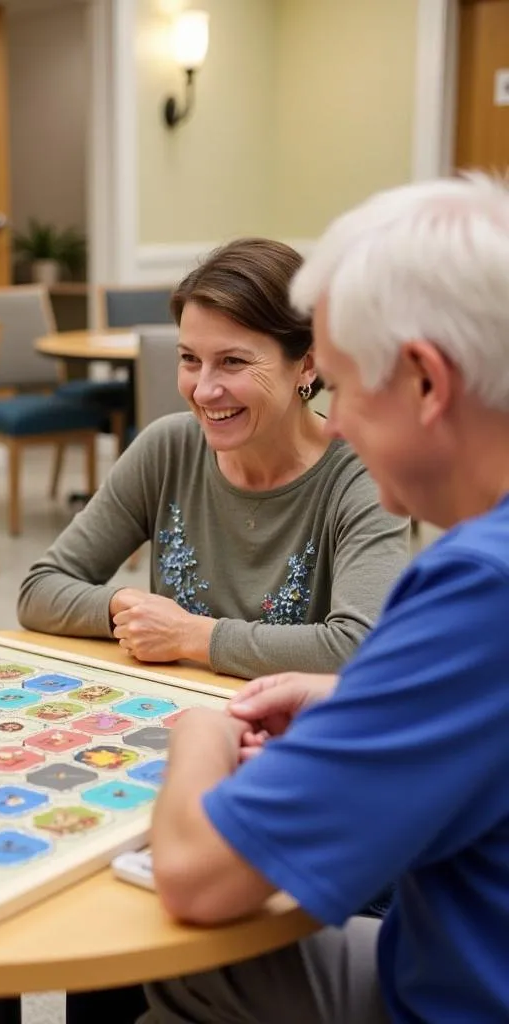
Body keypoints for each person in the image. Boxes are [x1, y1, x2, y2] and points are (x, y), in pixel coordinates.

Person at [142, 173, 509, 1024]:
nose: (332, 421)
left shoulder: (475, 584)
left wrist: (201, 732)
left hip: (454, 992)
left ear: (426, 381)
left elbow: (198, 874)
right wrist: (355, 694)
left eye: (339, 385)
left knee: (179, 948)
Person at [19, 238, 408, 681]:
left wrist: (191, 636)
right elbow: (39, 589)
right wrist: (123, 606)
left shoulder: (364, 477)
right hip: (166, 718)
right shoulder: (167, 448)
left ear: (307, 365)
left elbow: (359, 647)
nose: (203, 390)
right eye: (189, 359)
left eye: (233, 362)